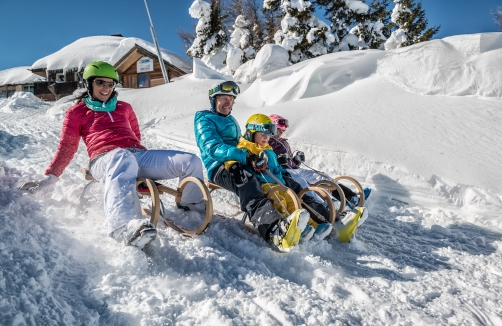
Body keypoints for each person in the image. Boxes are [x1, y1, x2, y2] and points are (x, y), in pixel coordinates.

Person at [19, 61, 205, 250]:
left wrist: (137, 172)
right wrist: (50, 177)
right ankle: (122, 226)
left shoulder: (124, 107)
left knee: (190, 161)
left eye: (110, 84)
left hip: (135, 155)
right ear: (88, 84)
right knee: (122, 157)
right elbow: (67, 147)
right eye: (100, 82)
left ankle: (191, 204)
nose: (106, 88)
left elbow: (135, 135)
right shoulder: (76, 112)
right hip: (103, 160)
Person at [194, 81, 314, 252]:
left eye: (232, 99)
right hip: (219, 167)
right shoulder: (203, 119)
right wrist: (245, 156)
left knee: (275, 177)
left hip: (240, 161)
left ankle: (306, 217)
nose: (229, 103)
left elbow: (241, 142)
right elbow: (212, 147)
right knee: (247, 180)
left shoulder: (230, 119)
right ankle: (272, 228)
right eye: (225, 99)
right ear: (214, 99)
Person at [224, 114, 334, 242]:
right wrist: (238, 166)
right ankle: (285, 226)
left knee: (292, 201)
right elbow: (232, 160)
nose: (266, 138)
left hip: (278, 182)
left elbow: (276, 166)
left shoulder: (269, 149)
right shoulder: (245, 148)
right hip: (263, 183)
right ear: (251, 133)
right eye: (263, 135)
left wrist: (283, 172)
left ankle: (311, 226)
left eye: (268, 136)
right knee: (280, 201)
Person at [268, 114, 371, 207]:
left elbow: (290, 161)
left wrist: (296, 160)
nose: (281, 133)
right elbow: (270, 162)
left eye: (282, 131)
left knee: (322, 176)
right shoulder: (268, 143)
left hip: (295, 169)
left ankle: (350, 198)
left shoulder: (283, 142)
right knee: (303, 183)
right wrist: (279, 162)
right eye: (278, 130)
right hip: (284, 172)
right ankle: (321, 206)